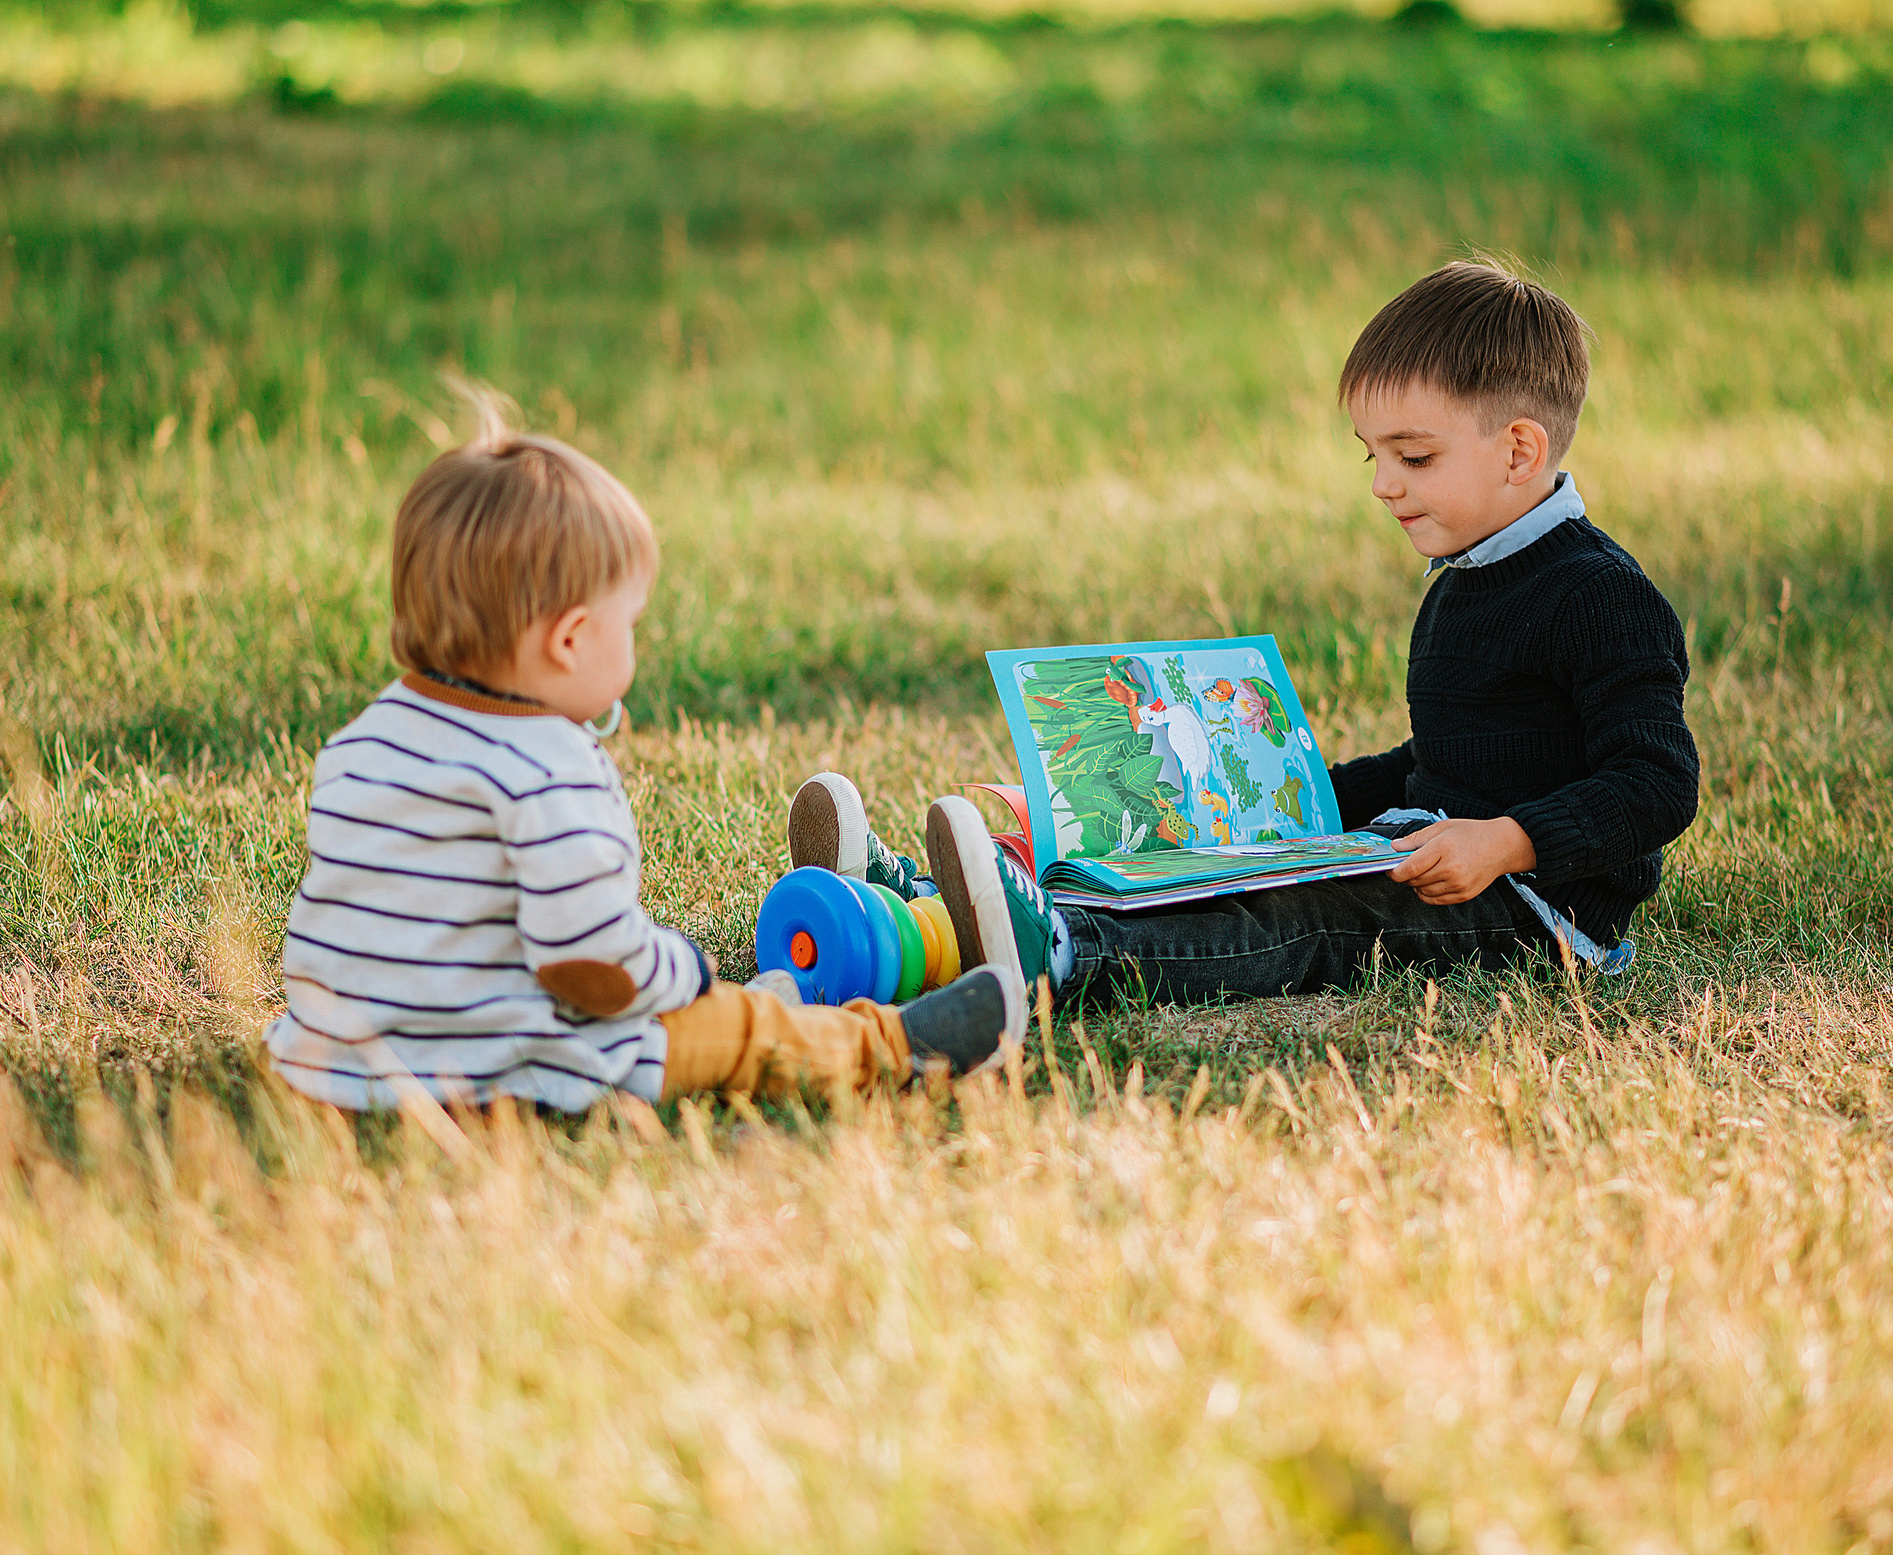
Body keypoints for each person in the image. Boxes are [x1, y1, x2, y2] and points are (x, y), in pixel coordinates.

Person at [797, 260, 1700, 1005]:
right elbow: (1450, 757)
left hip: (1533, 908)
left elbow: (1657, 781)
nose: (1383, 484)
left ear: (1519, 451)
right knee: (1198, 856)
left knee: (1307, 921)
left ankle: (1067, 951)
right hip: (1429, 850)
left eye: (1414, 457)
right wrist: (1294, 803)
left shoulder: (1601, 596)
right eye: (1373, 455)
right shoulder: (1470, 576)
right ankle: (916, 913)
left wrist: (1507, 840)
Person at [264, 395, 1022, 1112]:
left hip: (332, 1062)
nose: (634, 641)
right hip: (491, 1067)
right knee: (733, 1032)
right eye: (628, 623)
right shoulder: (546, 768)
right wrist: (683, 970)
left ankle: (785, 998)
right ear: (570, 640)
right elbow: (589, 966)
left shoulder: (362, 741)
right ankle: (896, 1046)